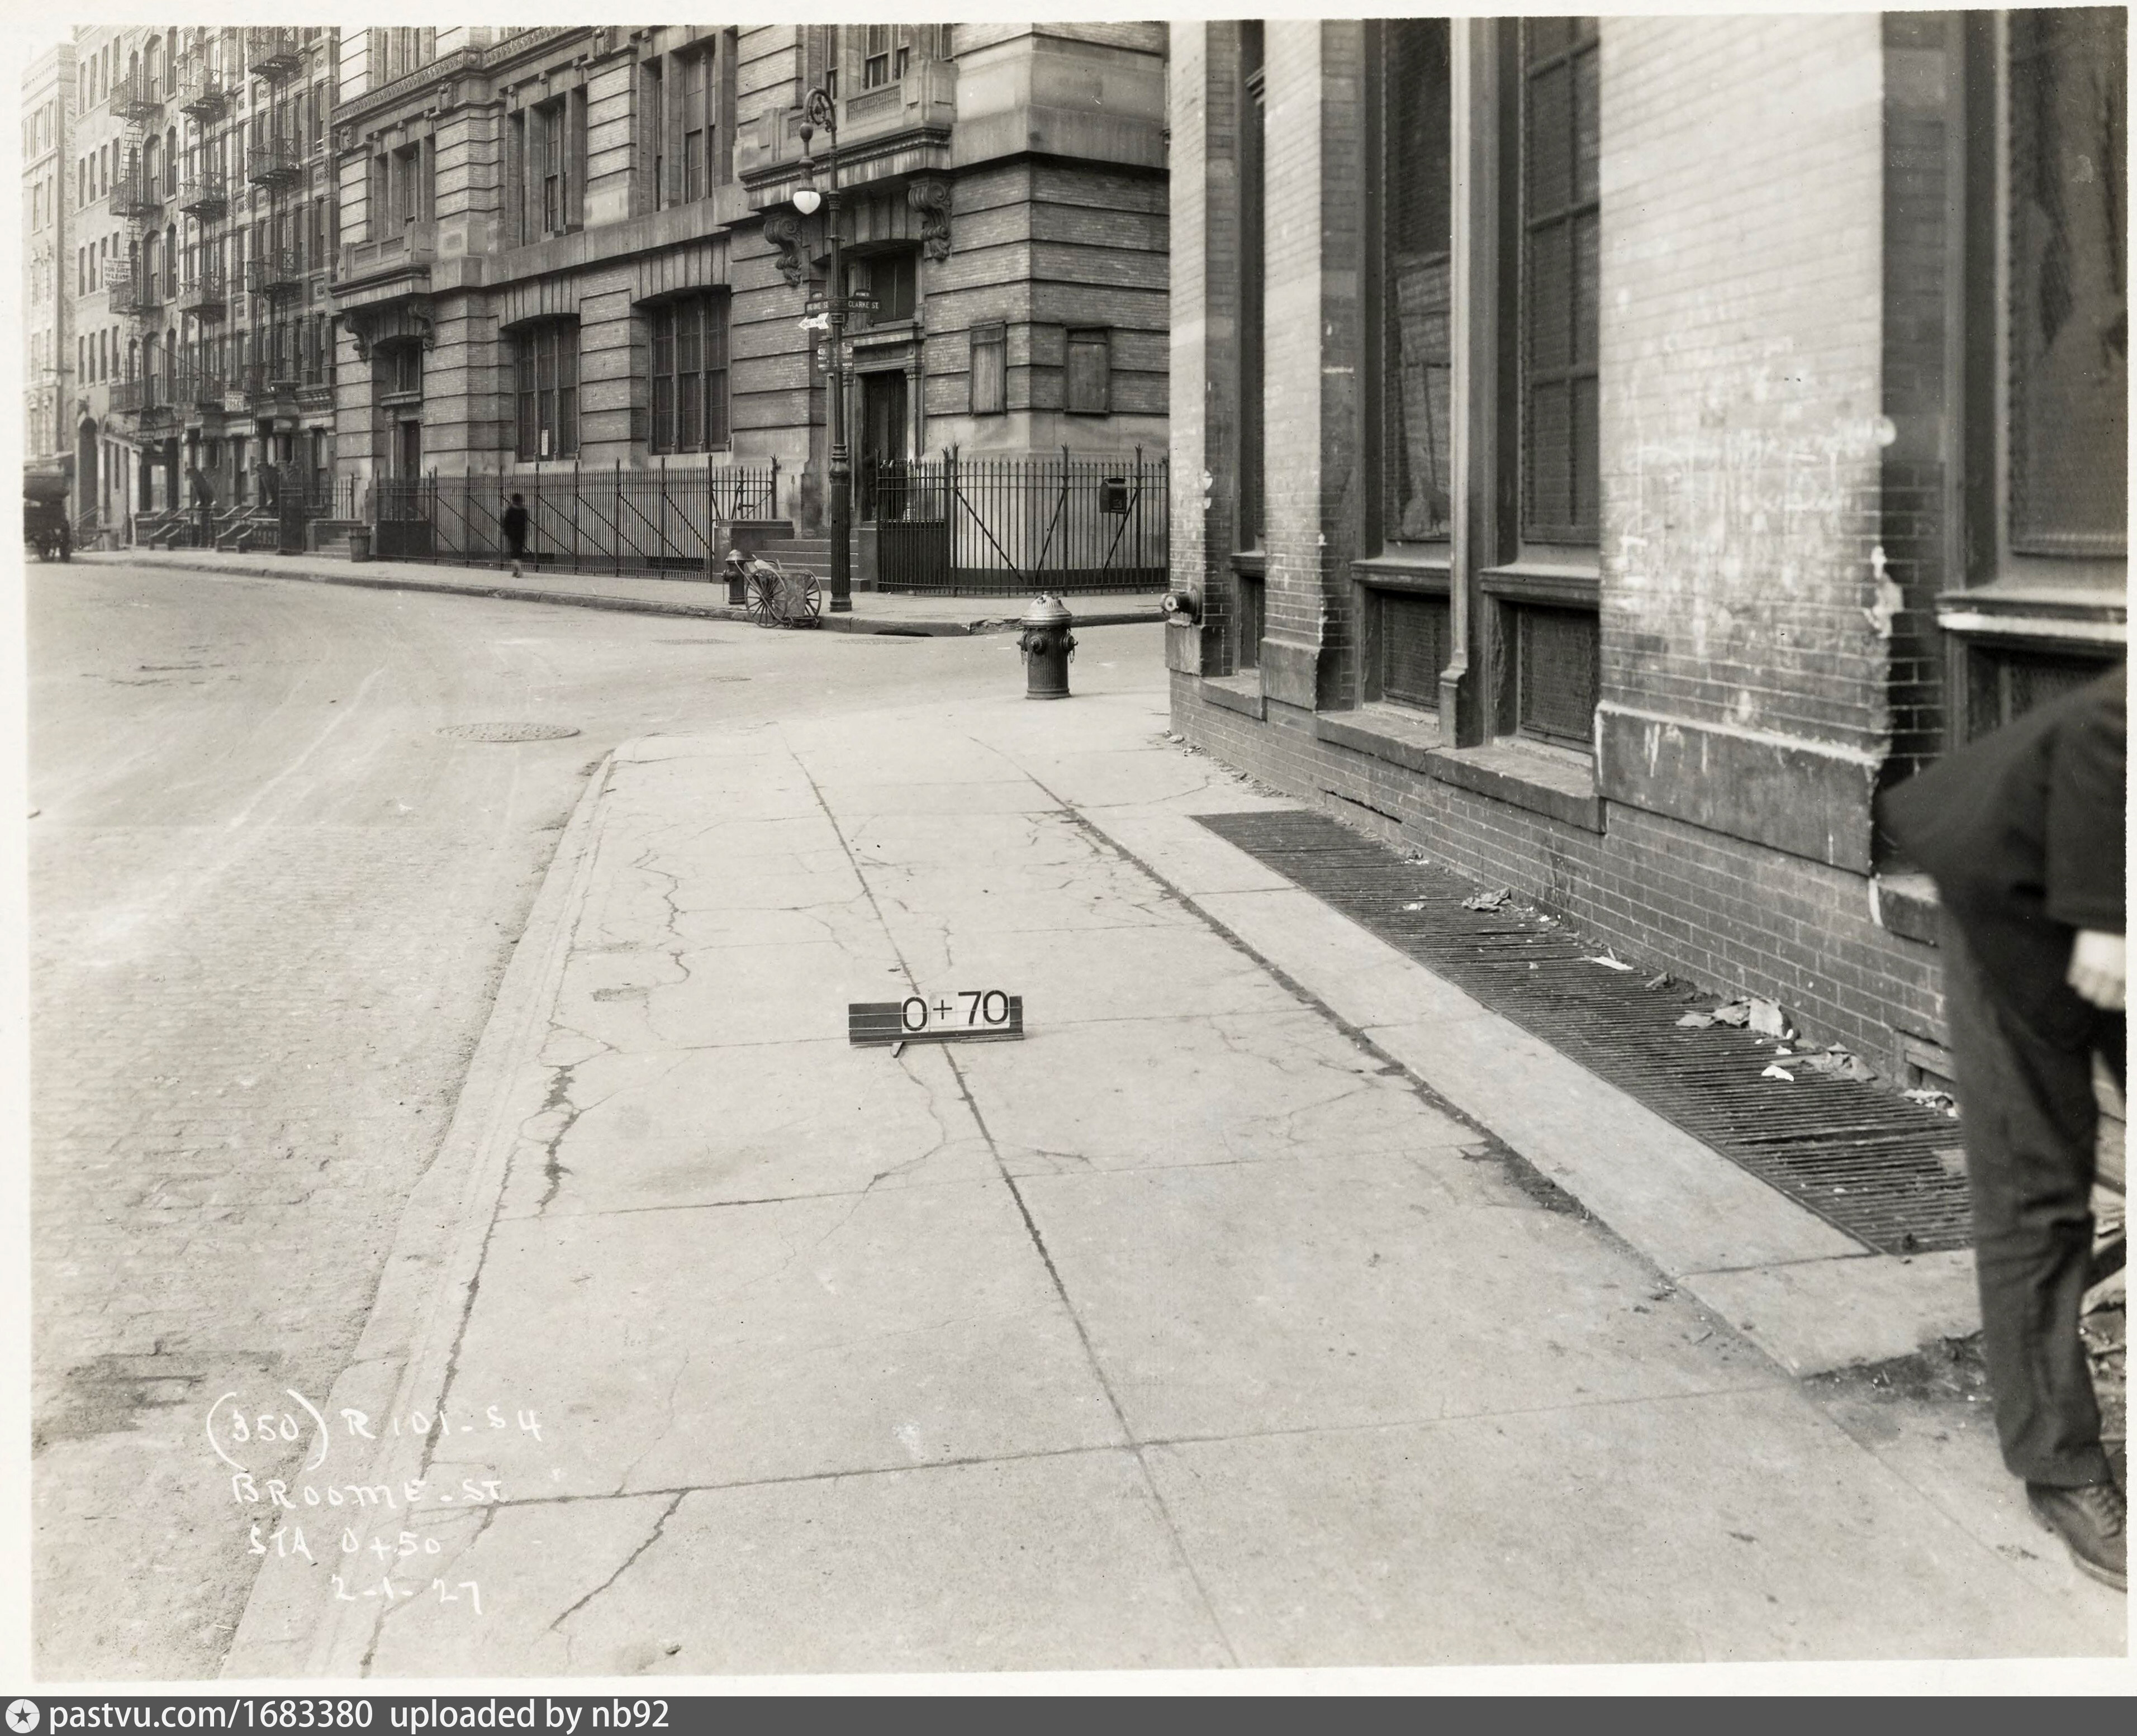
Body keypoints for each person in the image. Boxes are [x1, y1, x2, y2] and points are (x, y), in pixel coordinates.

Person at [1880, 665, 2126, 1592]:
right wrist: (2104, 921)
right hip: (2022, 888)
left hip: (2101, 885)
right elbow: (2110, 724)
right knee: (2039, 1188)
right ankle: (2058, 1468)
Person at [502, 493, 530, 578]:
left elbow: (506, 522)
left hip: (512, 534)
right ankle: (515, 571)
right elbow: (525, 522)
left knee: (514, 555)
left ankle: (520, 572)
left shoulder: (510, 510)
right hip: (521, 534)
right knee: (518, 553)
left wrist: (505, 531)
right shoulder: (524, 510)